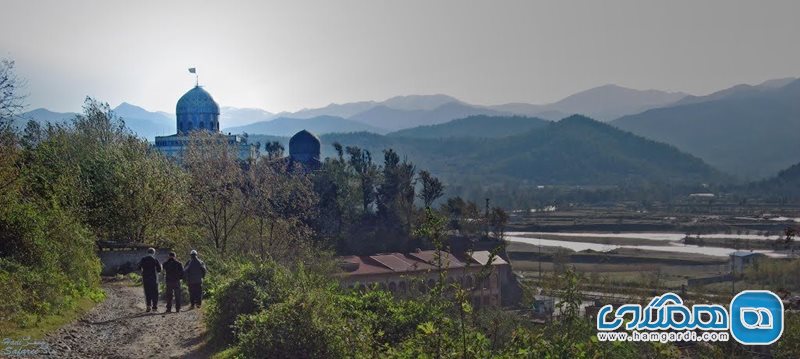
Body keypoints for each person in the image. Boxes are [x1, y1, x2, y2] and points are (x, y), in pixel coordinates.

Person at [137, 248, 162, 312]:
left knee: (147, 292)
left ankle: (148, 306)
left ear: (147, 252)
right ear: (153, 253)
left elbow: (139, 267)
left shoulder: (143, 259)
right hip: (154, 279)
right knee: (155, 293)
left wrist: (143, 272)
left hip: (146, 279)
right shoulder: (155, 260)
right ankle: (154, 307)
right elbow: (159, 269)